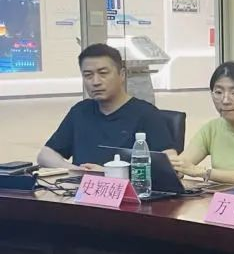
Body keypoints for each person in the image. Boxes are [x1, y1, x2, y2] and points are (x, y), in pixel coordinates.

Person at [38, 43, 175, 170]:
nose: (95, 82)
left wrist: (108, 173)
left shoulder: (146, 114)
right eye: (88, 75)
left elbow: (171, 163)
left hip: (128, 187)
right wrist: (76, 170)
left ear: (122, 75)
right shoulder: (80, 111)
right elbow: (46, 154)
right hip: (82, 186)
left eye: (103, 73)